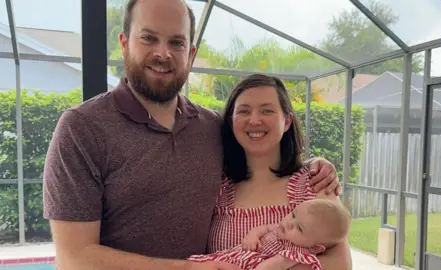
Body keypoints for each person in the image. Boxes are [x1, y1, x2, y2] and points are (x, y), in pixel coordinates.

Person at [42, 0, 341, 269]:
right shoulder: (81, 129)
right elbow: (74, 258)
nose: (163, 53)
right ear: (124, 43)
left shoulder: (211, 127)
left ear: (191, 53)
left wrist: (317, 165)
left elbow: (260, 148)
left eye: (176, 42)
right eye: (149, 38)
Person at [197, 73, 353, 270]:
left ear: (287, 121)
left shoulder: (315, 183)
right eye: (244, 111)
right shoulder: (216, 187)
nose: (254, 120)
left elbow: (341, 265)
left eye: (267, 111)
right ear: (231, 122)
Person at [188, 199, 351, 270]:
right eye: (293, 214)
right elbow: (263, 228)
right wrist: (252, 236)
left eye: (299, 228)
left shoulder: (298, 255)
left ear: (315, 247)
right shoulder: (281, 228)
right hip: (236, 254)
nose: (289, 222)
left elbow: (273, 265)